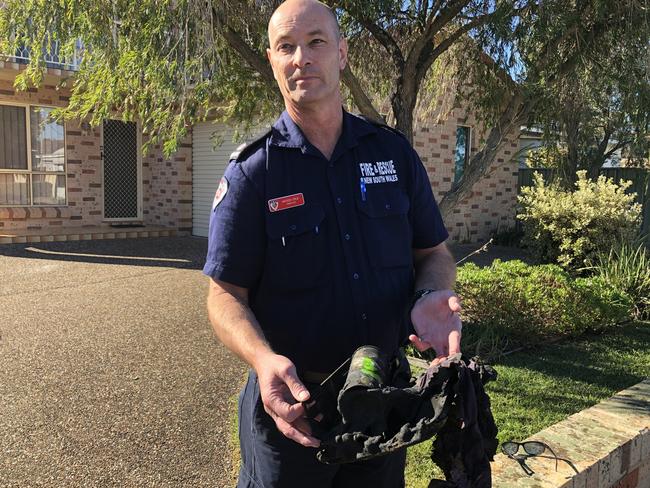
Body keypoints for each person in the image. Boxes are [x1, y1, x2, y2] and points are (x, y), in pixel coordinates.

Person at [203, 0, 462, 486]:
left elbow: (433, 254)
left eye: (316, 42)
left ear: (342, 53)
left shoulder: (393, 155)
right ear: (273, 61)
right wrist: (262, 360)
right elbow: (224, 295)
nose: (302, 57)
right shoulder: (252, 173)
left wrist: (430, 296)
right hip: (294, 410)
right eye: (287, 47)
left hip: (382, 404)